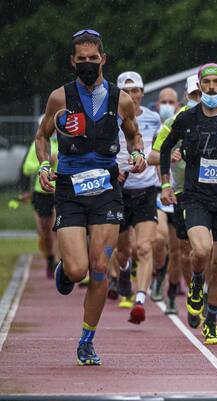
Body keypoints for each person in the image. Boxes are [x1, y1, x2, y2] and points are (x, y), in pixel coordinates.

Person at [37, 29, 147, 365]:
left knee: (100, 268)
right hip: (70, 189)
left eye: (93, 59)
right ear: (73, 61)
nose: (87, 64)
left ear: (103, 60)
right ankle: (66, 271)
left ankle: (87, 339)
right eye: (81, 60)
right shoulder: (60, 97)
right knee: (78, 269)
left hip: (107, 191)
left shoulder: (120, 99)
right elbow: (43, 136)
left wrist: (138, 154)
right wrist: (44, 166)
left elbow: (134, 135)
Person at [157, 63, 217, 345]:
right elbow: (166, 146)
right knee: (202, 250)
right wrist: (167, 183)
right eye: (206, 84)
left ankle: (212, 318)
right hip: (195, 196)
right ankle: (195, 281)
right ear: (199, 87)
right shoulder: (186, 118)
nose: (212, 88)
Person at [114, 71, 161, 325]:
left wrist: (160, 168)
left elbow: (160, 149)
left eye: (137, 90)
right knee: (124, 250)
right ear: (121, 95)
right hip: (119, 189)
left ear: (142, 92)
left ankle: (140, 300)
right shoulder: (111, 118)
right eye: (128, 91)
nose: (134, 95)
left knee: (144, 247)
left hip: (146, 190)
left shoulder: (154, 119)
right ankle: (122, 271)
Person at [149, 76, 198, 316]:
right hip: (169, 192)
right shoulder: (173, 122)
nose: (200, 99)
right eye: (196, 95)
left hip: (200, 194)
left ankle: (188, 293)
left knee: (192, 251)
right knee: (167, 245)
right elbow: (153, 156)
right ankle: (164, 282)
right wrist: (170, 156)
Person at [21, 117, 59, 278]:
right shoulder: (38, 145)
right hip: (41, 192)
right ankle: (50, 258)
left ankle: (58, 262)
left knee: (56, 230)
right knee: (44, 231)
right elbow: (27, 168)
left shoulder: (63, 145)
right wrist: (44, 162)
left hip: (60, 193)